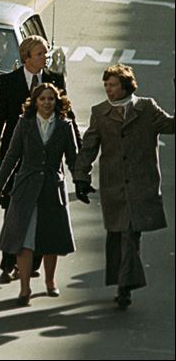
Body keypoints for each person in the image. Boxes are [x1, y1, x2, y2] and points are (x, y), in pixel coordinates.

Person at [73, 64, 174, 310]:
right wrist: (81, 178)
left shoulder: (146, 108)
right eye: (106, 85)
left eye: (113, 85)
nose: (108, 89)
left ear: (126, 86)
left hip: (141, 184)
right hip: (114, 186)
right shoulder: (100, 112)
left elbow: (171, 126)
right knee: (117, 234)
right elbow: (89, 148)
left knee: (130, 234)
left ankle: (124, 288)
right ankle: (123, 281)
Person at [0, 35, 79, 283]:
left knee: (42, 212)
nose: (45, 57)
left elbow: (68, 116)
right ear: (27, 57)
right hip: (17, 157)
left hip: (46, 161)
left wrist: (79, 153)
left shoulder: (54, 80)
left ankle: (29, 264)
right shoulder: (8, 81)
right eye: (40, 54)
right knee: (14, 212)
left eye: (46, 53)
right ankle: (8, 263)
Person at [0, 83, 78, 306]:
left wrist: (81, 182)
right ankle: (24, 289)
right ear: (35, 102)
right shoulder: (25, 123)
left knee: (51, 240)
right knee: (24, 240)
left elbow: (73, 159)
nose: (47, 103)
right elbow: (12, 155)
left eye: (51, 99)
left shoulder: (64, 125)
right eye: (42, 99)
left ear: (57, 102)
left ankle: (50, 281)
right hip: (26, 188)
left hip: (52, 188)